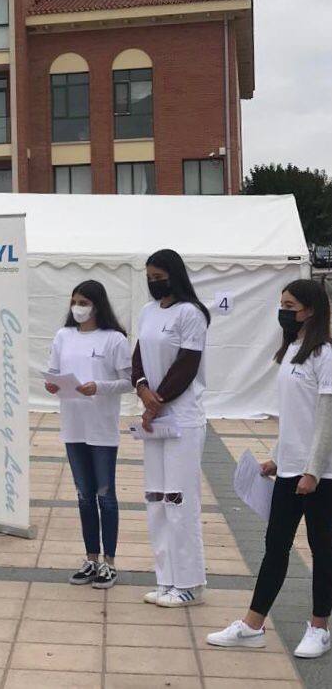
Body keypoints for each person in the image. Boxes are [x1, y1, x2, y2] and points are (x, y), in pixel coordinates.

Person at [207, 279, 332, 658]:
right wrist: (278, 457)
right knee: (274, 547)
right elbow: (295, 417)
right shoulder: (293, 349)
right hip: (292, 469)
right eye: (282, 304)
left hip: (321, 475)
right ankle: (252, 624)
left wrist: (312, 470)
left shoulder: (324, 354)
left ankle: (319, 627)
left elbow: (326, 420)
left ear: (310, 309)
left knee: (322, 549)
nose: (284, 311)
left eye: (290, 305)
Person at [132, 249, 211, 607]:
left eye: (158, 275)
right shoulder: (148, 313)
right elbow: (138, 358)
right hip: (155, 415)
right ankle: (165, 579)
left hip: (182, 419)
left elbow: (187, 364)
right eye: (149, 275)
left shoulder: (192, 314)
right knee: (157, 499)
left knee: (180, 499)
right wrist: (143, 389)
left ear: (173, 275)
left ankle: (189, 583)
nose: (153, 282)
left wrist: (157, 400)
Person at [45, 279, 132, 589]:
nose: (78, 308)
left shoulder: (114, 339)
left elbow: (129, 380)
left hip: (102, 427)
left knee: (105, 495)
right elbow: (53, 372)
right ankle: (91, 557)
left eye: (83, 302)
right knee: (84, 496)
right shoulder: (63, 336)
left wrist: (100, 387)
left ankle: (109, 562)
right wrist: (52, 384)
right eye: (74, 302)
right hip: (73, 425)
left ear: (97, 305)